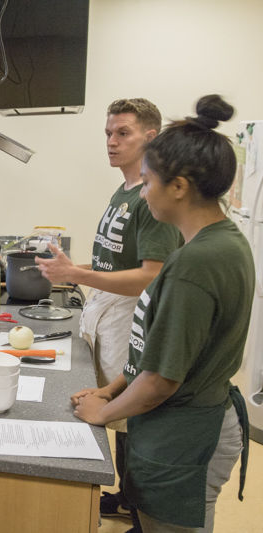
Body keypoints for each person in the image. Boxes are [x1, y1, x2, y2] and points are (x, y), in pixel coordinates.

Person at [71, 95, 251, 533]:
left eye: (148, 181)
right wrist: (112, 390)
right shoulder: (205, 243)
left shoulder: (199, 263)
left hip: (188, 434)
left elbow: (163, 378)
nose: (142, 190)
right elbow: (152, 352)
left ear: (179, 187)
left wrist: (104, 413)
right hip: (171, 427)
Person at [34, 98, 182, 528]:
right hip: (105, 309)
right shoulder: (123, 189)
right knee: (114, 406)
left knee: (132, 412)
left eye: (123, 133)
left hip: (129, 314)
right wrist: (78, 272)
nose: (112, 142)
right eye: (108, 134)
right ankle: (125, 496)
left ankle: (140, 508)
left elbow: (150, 276)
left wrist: (75, 273)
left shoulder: (152, 200)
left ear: (150, 138)